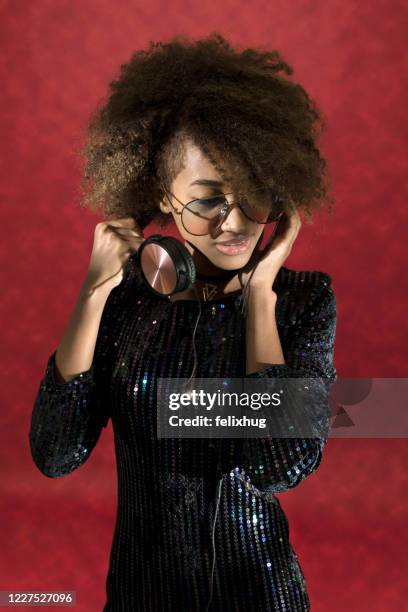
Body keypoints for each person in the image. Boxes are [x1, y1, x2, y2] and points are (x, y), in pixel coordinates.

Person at [29, 33, 337, 611]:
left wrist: (261, 296)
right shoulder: (127, 299)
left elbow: (280, 464)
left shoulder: (304, 300)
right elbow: (54, 453)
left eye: (255, 195)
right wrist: (94, 292)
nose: (235, 222)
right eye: (208, 200)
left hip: (260, 599)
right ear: (164, 198)